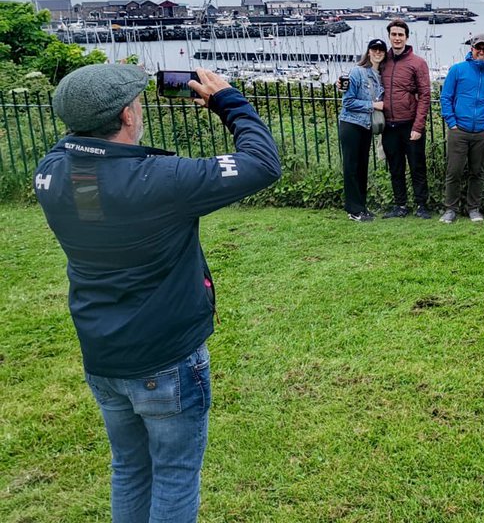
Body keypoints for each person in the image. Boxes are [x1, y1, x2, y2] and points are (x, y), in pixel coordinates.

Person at [33, 64, 281, 521]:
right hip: (166, 359)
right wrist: (229, 101)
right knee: (174, 474)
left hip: (104, 356)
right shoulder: (161, 181)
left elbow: (79, 153)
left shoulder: (52, 175)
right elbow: (263, 162)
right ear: (128, 115)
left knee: (129, 468)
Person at [439, 32, 484, 223]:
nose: (481, 51)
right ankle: (450, 209)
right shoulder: (458, 70)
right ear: (471, 49)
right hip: (459, 130)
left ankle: (474, 208)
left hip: (482, 131)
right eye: (478, 47)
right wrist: (452, 123)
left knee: (477, 172)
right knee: (454, 171)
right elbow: (446, 97)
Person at [378, 19, 432, 219]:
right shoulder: (383, 61)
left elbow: (425, 95)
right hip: (389, 125)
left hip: (410, 124)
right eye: (394, 34)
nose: (397, 38)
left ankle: (421, 205)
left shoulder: (418, 63)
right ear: (389, 36)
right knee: (395, 167)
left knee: (417, 166)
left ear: (407, 37)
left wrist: (418, 126)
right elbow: (365, 75)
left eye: (401, 35)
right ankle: (400, 205)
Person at [338, 38, 386, 222]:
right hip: (351, 124)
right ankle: (353, 209)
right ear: (369, 51)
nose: (378, 52)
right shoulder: (357, 72)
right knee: (351, 167)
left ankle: (362, 207)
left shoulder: (381, 75)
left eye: (381, 49)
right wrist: (374, 105)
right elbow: (347, 102)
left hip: (366, 126)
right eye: (374, 49)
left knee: (362, 168)